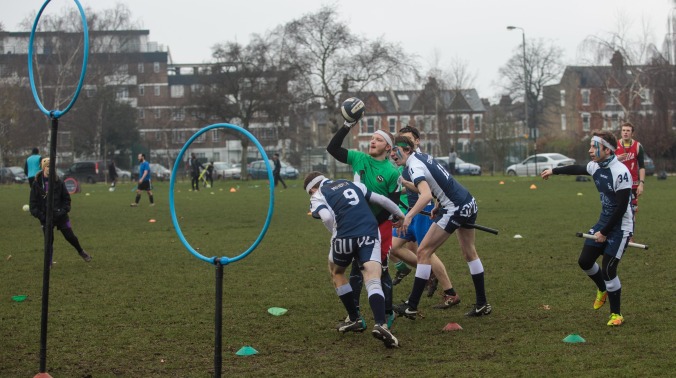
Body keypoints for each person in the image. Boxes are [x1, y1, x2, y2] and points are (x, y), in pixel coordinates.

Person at [390, 135, 491, 319]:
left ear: (406, 150)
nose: (392, 155)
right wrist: (438, 205)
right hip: (468, 201)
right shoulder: (423, 157)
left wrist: (409, 216)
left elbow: (426, 194)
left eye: (394, 151)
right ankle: (482, 304)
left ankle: (411, 306)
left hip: (455, 207)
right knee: (470, 253)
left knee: (423, 252)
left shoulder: (414, 165)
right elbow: (440, 182)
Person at [541, 130, 633, 327]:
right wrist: (554, 171)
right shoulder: (595, 166)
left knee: (609, 269)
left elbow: (622, 208)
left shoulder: (621, 172)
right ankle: (602, 289)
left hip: (621, 226)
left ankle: (616, 314)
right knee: (585, 261)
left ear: (607, 151)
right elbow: (579, 168)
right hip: (603, 222)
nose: (590, 150)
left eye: (594, 146)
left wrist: (605, 233)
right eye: (591, 146)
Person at [304, 171, 403, 348]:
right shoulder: (351, 183)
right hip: (369, 232)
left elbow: (326, 216)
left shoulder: (317, 195)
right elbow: (382, 200)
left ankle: (355, 318)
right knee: (372, 277)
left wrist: (335, 231)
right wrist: (401, 216)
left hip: (343, 236)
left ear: (312, 188)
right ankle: (381, 324)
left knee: (337, 272)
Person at [327, 120, 400, 328]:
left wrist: (370, 223)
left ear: (388, 147)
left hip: (380, 225)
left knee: (381, 268)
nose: (372, 141)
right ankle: (355, 315)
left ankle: (387, 312)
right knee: (354, 268)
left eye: (378, 139)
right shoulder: (360, 159)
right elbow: (332, 148)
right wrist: (346, 125)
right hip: (357, 224)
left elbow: (392, 206)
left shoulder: (392, 172)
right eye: (372, 138)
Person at [390, 125, 461, 310]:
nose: (402, 143)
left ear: (416, 141)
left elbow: (430, 190)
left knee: (427, 253)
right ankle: (428, 274)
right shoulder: (405, 159)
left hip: (423, 213)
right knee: (392, 246)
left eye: (407, 139)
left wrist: (436, 204)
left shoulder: (419, 160)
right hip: (411, 213)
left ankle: (450, 292)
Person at [30, 157, 91, 263]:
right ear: (43, 168)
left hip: (61, 216)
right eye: (48, 166)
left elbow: (67, 200)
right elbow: (33, 206)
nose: (50, 169)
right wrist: (42, 216)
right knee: (49, 241)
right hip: (45, 218)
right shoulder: (37, 184)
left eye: (52, 166)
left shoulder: (59, 182)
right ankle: (48, 262)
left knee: (70, 236)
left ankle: (81, 251)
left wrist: (62, 211)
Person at [615, 122, 645, 235]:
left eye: (628, 130)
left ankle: (630, 236)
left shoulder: (637, 146)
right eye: (623, 130)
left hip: (633, 184)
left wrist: (641, 184)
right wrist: (617, 158)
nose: (625, 132)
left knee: (632, 211)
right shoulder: (615, 145)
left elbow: (642, 166)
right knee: (616, 209)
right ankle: (617, 233)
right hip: (618, 183)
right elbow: (608, 162)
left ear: (632, 133)